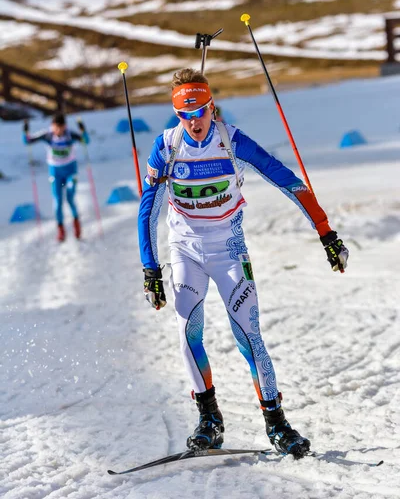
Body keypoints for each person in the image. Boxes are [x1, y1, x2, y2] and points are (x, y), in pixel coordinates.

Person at [137, 68, 349, 459]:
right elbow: (148, 208)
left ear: (211, 106)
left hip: (229, 249)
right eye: (185, 115)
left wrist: (326, 233)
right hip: (186, 250)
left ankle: (277, 424)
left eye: (200, 111)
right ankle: (209, 420)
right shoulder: (166, 147)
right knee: (188, 333)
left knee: (249, 336)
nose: (194, 122)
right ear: (176, 115)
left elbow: (286, 180)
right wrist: (150, 269)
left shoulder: (232, 141)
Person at [23, 112, 89, 241]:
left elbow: (85, 141)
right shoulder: (47, 135)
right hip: (55, 173)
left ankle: (76, 225)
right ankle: (61, 230)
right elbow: (28, 141)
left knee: (70, 198)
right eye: (55, 127)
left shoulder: (70, 135)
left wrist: (83, 129)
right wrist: (25, 131)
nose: (58, 130)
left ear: (65, 126)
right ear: (52, 126)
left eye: (60, 127)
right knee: (58, 201)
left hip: (70, 171)